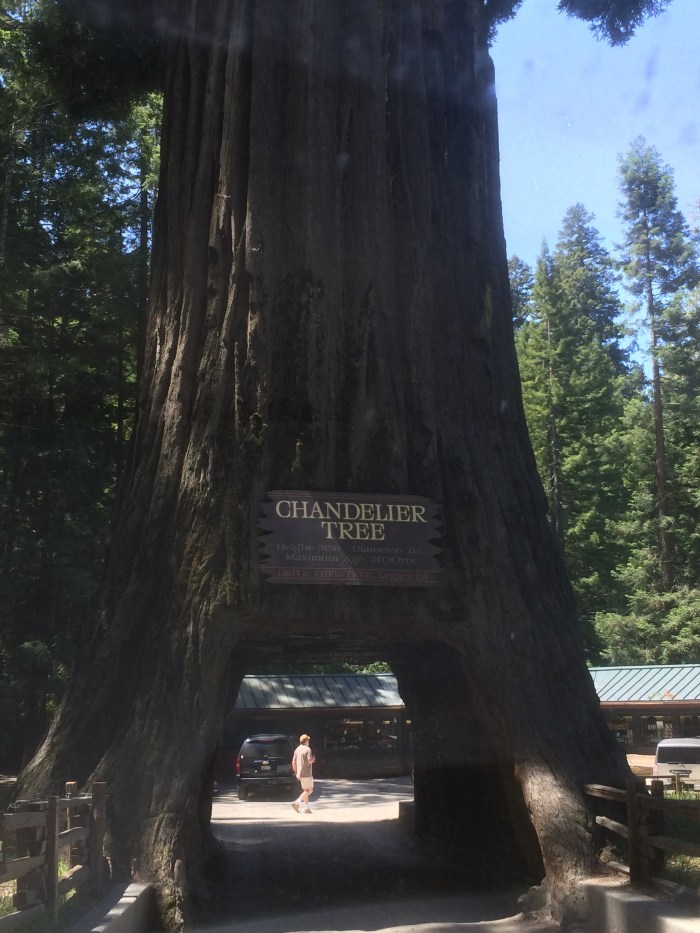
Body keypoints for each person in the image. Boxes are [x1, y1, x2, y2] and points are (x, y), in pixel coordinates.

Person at [291, 733, 315, 813]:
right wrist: (313, 759)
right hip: (307, 773)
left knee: (305, 791)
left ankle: (306, 808)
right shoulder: (308, 749)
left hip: (299, 774)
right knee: (310, 790)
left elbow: (293, 762)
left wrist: (295, 772)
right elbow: (309, 760)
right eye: (308, 740)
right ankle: (297, 802)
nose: (308, 742)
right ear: (306, 741)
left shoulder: (297, 749)